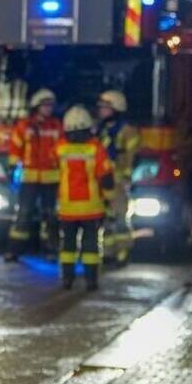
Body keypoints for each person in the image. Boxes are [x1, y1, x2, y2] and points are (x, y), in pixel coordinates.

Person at [56, 105, 115, 291]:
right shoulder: (96, 148)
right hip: (91, 208)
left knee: (68, 246)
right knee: (90, 247)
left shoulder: (59, 148)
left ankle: (67, 280)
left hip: (67, 208)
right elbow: (106, 178)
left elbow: (52, 172)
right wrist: (109, 200)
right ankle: (91, 281)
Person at [6, 88, 63, 262]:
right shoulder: (24, 126)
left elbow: (61, 150)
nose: (48, 109)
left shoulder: (56, 126)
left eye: (50, 106)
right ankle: (15, 250)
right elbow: (16, 148)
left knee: (51, 215)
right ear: (36, 107)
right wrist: (11, 166)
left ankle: (52, 249)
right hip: (29, 178)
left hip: (51, 179)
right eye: (45, 105)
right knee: (23, 214)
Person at [94, 90, 139, 265]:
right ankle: (108, 251)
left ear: (117, 109)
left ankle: (123, 252)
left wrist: (126, 177)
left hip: (118, 181)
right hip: (102, 180)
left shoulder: (127, 131)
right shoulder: (100, 129)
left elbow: (131, 156)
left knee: (120, 218)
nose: (101, 111)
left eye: (105, 108)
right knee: (106, 218)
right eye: (101, 108)